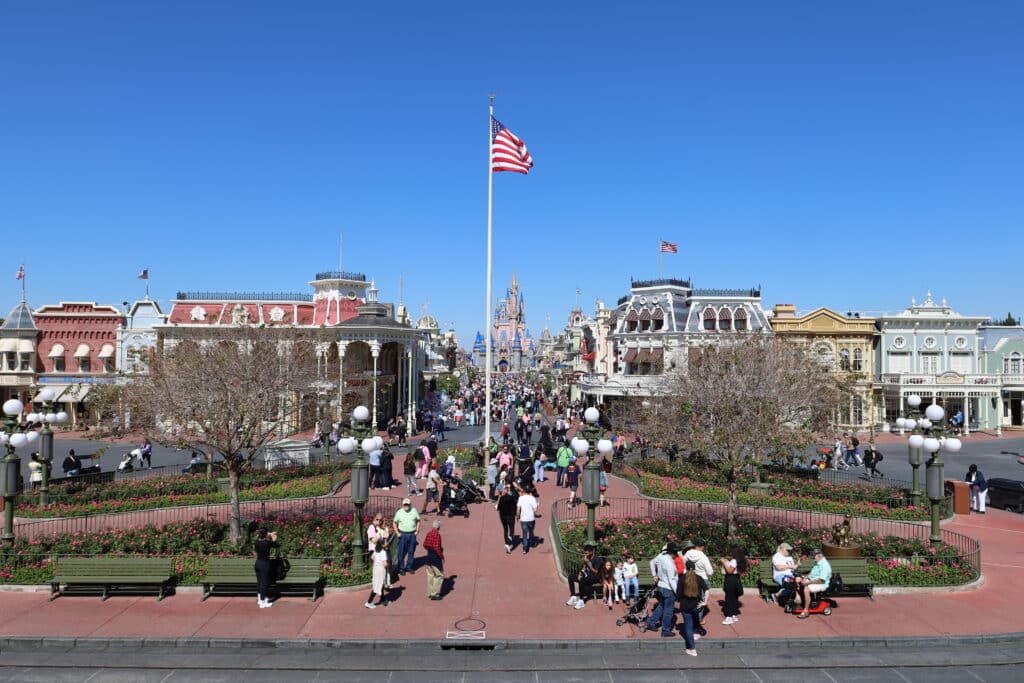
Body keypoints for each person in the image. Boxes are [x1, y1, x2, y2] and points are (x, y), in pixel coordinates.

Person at [646, 542, 680, 637]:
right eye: (675, 552)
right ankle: (665, 630)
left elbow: (652, 562)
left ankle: (651, 622)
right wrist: (678, 593)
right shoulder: (669, 562)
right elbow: (672, 579)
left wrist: (654, 575)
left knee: (661, 606)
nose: (676, 554)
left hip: (661, 586)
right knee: (668, 610)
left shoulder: (661, 556)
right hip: (668, 588)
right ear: (672, 552)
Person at [677, 559, 709, 656]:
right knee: (695, 617)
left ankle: (692, 648)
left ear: (686, 567)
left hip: (685, 606)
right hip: (697, 605)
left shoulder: (682, 578)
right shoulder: (699, 578)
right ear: (695, 568)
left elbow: (678, 594)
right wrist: (705, 602)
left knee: (688, 626)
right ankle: (697, 632)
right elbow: (707, 590)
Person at [796, 549, 832, 618]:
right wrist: (805, 578)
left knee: (806, 589)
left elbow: (821, 580)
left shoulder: (824, 565)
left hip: (822, 584)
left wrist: (808, 583)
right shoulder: (817, 562)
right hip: (813, 581)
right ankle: (799, 601)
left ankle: (806, 611)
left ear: (819, 556)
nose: (812, 557)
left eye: (813, 556)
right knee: (797, 580)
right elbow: (811, 573)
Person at [392, 498, 420, 575]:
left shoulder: (414, 511)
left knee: (411, 551)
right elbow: (394, 522)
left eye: (407, 504)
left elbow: (418, 521)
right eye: (405, 505)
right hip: (402, 534)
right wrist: (397, 532)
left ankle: (409, 567)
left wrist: (417, 530)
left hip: (412, 534)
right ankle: (401, 568)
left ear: (410, 504)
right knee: (401, 552)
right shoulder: (399, 512)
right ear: (403, 505)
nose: (406, 506)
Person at [720, 546, 747, 625]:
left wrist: (724, 562)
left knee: (729, 598)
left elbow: (729, 571)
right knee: (734, 598)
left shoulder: (734, 560)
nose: (730, 554)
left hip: (730, 580)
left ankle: (729, 616)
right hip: (736, 579)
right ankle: (734, 614)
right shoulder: (740, 560)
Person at [253, 528, 279, 609]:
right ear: (265, 535)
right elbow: (277, 545)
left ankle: (260, 599)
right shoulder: (267, 543)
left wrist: (269, 533)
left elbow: (262, 535)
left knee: (259, 582)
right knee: (264, 583)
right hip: (265, 564)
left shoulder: (256, 542)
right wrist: (274, 539)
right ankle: (262, 602)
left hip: (257, 563)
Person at [422, 520, 445, 600]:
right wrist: (442, 557)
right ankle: (435, 594)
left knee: (430, 576)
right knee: (439, 576)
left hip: (428, 557)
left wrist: (429, 549)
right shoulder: (437, 535)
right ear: (438, 527)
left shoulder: (428, 533)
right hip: (435, 558)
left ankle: (430, 592)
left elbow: (424, 544)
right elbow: (437, 548)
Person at [365, 539, 391, 608]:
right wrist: (389, 564)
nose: (387, 542)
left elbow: (372, 557)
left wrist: (377, 562)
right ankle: (369, 602)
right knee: (377, 587)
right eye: (386, 542)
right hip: (380, 570)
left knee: (380, 585)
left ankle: (383, 600)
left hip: (376, 569)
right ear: (382, 545)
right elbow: (385, 564)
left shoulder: (377, 550)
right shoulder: (383, 552)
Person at [516, 484, 539, 555]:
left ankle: (525, 548)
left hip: (523, 519)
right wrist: (537, 505)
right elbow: (535, 511)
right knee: (531, 531)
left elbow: (518, 508)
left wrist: (517, 516)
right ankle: (532, 542)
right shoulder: (532, 498)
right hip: (531, 518)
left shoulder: (521, 498)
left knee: (524, 534)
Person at [496, 484, 518, 553]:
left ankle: (506, 543)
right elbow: (515, 506)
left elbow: (498, 508)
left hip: (503, 517)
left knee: (505, 530)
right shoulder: (512, 498)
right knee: (511, 531)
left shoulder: (501, 498)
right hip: (511, 517)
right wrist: (517, 515)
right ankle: (508, 543)